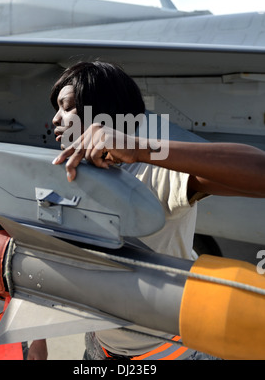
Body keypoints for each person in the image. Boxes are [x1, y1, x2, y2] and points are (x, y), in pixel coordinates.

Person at [49, 60, 265, 360]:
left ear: (102, 112)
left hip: (168, 350)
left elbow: (260, 171)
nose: (56, 119)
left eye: (66, 107)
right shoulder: (75, 169)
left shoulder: (153, 172)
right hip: (102, 346)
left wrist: (139, 148)